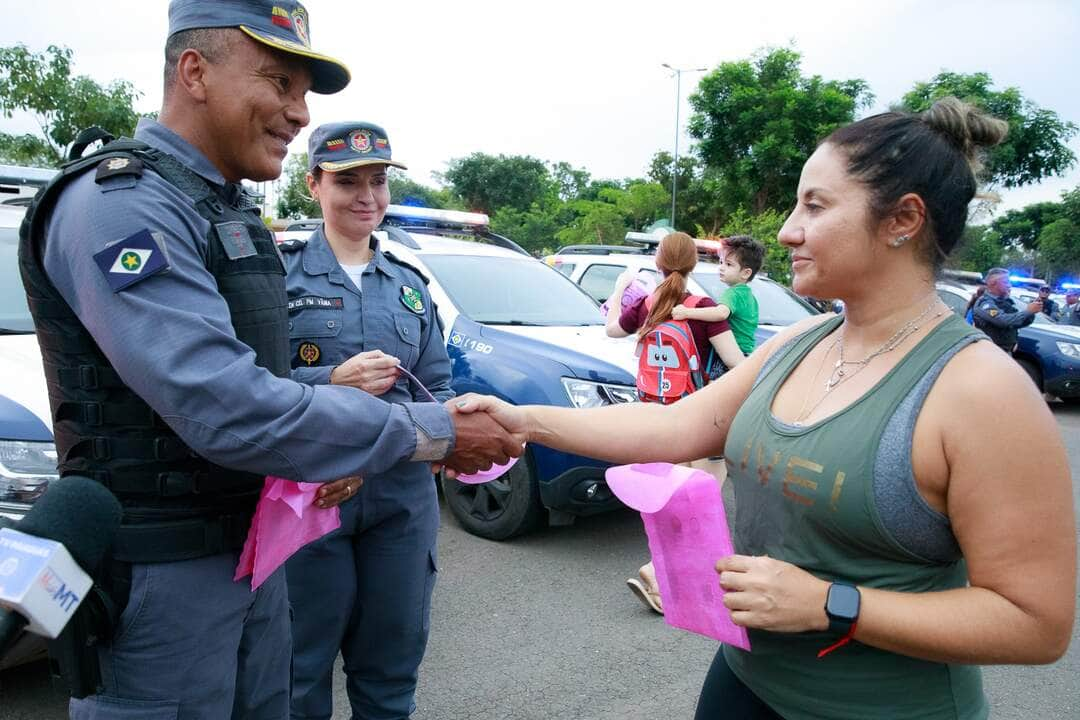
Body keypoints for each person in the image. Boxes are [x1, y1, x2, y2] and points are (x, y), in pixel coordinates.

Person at [455, 97, 1076, 719]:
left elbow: (1033, 623)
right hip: (745, 682)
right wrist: (525, 421)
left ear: (902, 219)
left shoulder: (981, 390)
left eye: (816, 205)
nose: (786, 230)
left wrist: (833, 604)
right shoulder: (795, 345)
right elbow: (674, 424)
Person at [17, 2, 521, 717]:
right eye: (278, 83)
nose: (296, 112)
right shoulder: (121, 206)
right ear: (195, 71)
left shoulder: (224, 213)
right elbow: (228, 406)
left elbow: (276, 388)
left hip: (256, 549)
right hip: (164, 577)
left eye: (302, 94)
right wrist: (433, 432)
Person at [281, 121, 451, 720]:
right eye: (346, 180)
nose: (366, 196)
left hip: (400, 503)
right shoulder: (280, 277)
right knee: (297, 673)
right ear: (313, 186)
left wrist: (378, 458)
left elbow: (441, 393)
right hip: (310, 502)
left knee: (390, 675)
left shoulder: (410, 286)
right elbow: (249, 388)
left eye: (376, 181)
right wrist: (328, 380)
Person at [604, 231, 743, 614]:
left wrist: (619, 289)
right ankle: (657, 574)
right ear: (693, 263)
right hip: (700, 421)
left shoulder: (650, 303)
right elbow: (735, 363)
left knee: (674, 503)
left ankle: (680, 581)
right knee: (699, 506)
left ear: (659, 263)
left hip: (657, 418)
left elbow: (612, 329)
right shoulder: (701, 307)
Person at [673, 234, 765, 359]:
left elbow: (721, 313)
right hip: (746, 354)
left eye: (728, 264)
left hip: (731, 355)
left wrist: (686, 312)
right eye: (721, 262)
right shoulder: (749, 296)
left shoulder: (734, 293)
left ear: (746, 273)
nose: (721, 267)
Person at [972, 267, 1040, 353]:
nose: (1009, 285)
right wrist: (1028, 311)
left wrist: (1031, 312)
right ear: (993, 283)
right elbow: (1003, 321)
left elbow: (1016, 322)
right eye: (1006, 282)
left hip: (1005, 351)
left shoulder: (1006, 302)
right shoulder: (985, 303)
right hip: (989, 353)